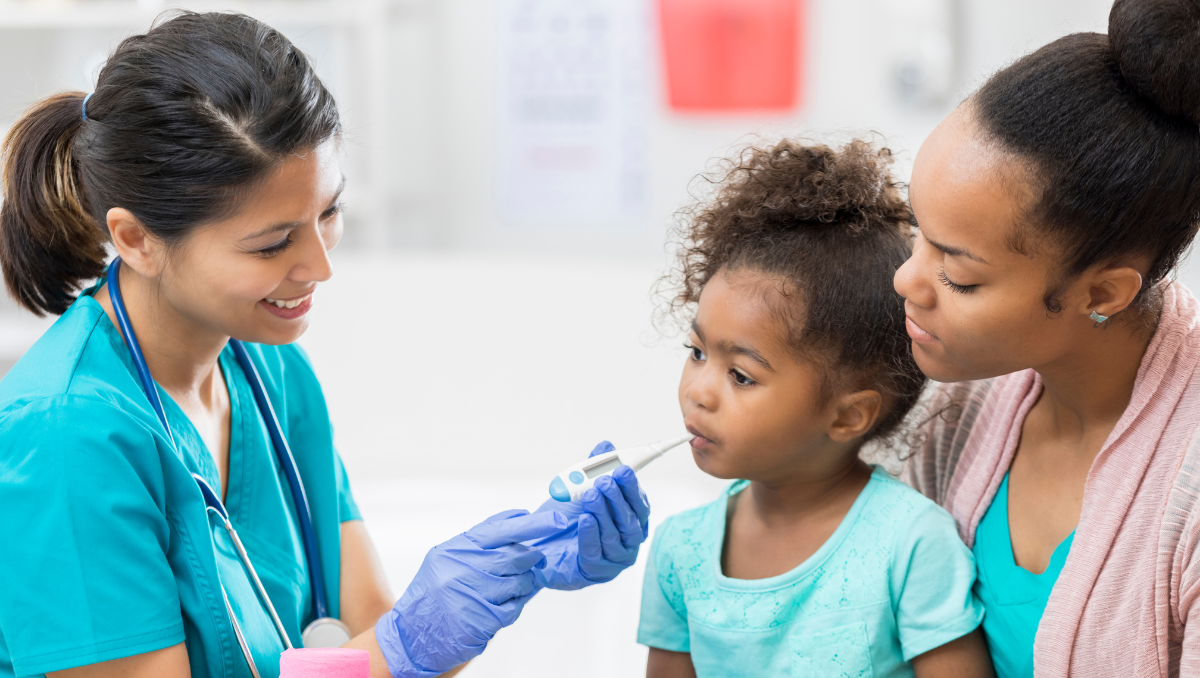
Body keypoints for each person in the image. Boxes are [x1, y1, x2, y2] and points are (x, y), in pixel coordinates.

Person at [0, 12, 649, 678]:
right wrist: (407, 642)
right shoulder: (63, 435)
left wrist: (515, 574)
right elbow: (388, 654)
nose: (320, 266)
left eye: (329, 213)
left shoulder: (271, 367)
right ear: (136, 239)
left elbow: (376, 641)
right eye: (273, 243)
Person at [893, 0, 1200, 675]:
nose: (905, 282)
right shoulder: (956, 412)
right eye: (915, 231)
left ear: (1101, 294)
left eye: (959, 275)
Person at [636, 139, 993, 678]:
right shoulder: (678, 550)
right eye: (697, 353)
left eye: (740, 375)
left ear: (849, 416)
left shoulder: (912, 544)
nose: (698, 391)